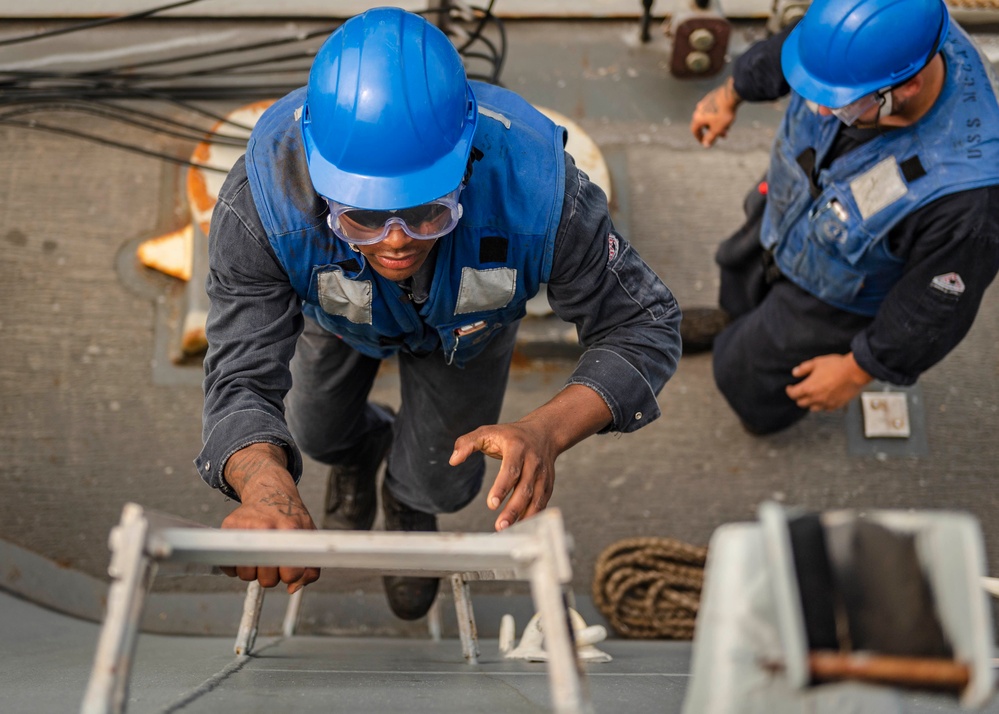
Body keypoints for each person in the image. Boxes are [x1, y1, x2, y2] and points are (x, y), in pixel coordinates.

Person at [195, 7, 681, 621]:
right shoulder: (263, 203)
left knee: (444, 478)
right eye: (363, 219)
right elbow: (240, 377)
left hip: (469, 337)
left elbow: (646, 324)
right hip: (337, 319)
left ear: (467, 162)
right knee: (314, 431)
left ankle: (405, 497)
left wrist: (545, 432)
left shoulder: (541, 192)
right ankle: (359, 453)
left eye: (427, 213)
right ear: (320, 185)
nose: (395, 243)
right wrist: (265, 485)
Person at [685, 0, 999, 435]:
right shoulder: (855, 41)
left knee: (744, 374)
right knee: (735, 277)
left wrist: (858, 369)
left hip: (835, 293)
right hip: (783, 214)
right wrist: (730, 93)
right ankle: (734, 320)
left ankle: (755, 395)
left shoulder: (969, 200)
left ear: (906, 88)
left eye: (840, 103)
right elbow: (794, 53)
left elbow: (932, 310)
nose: (818, 110)